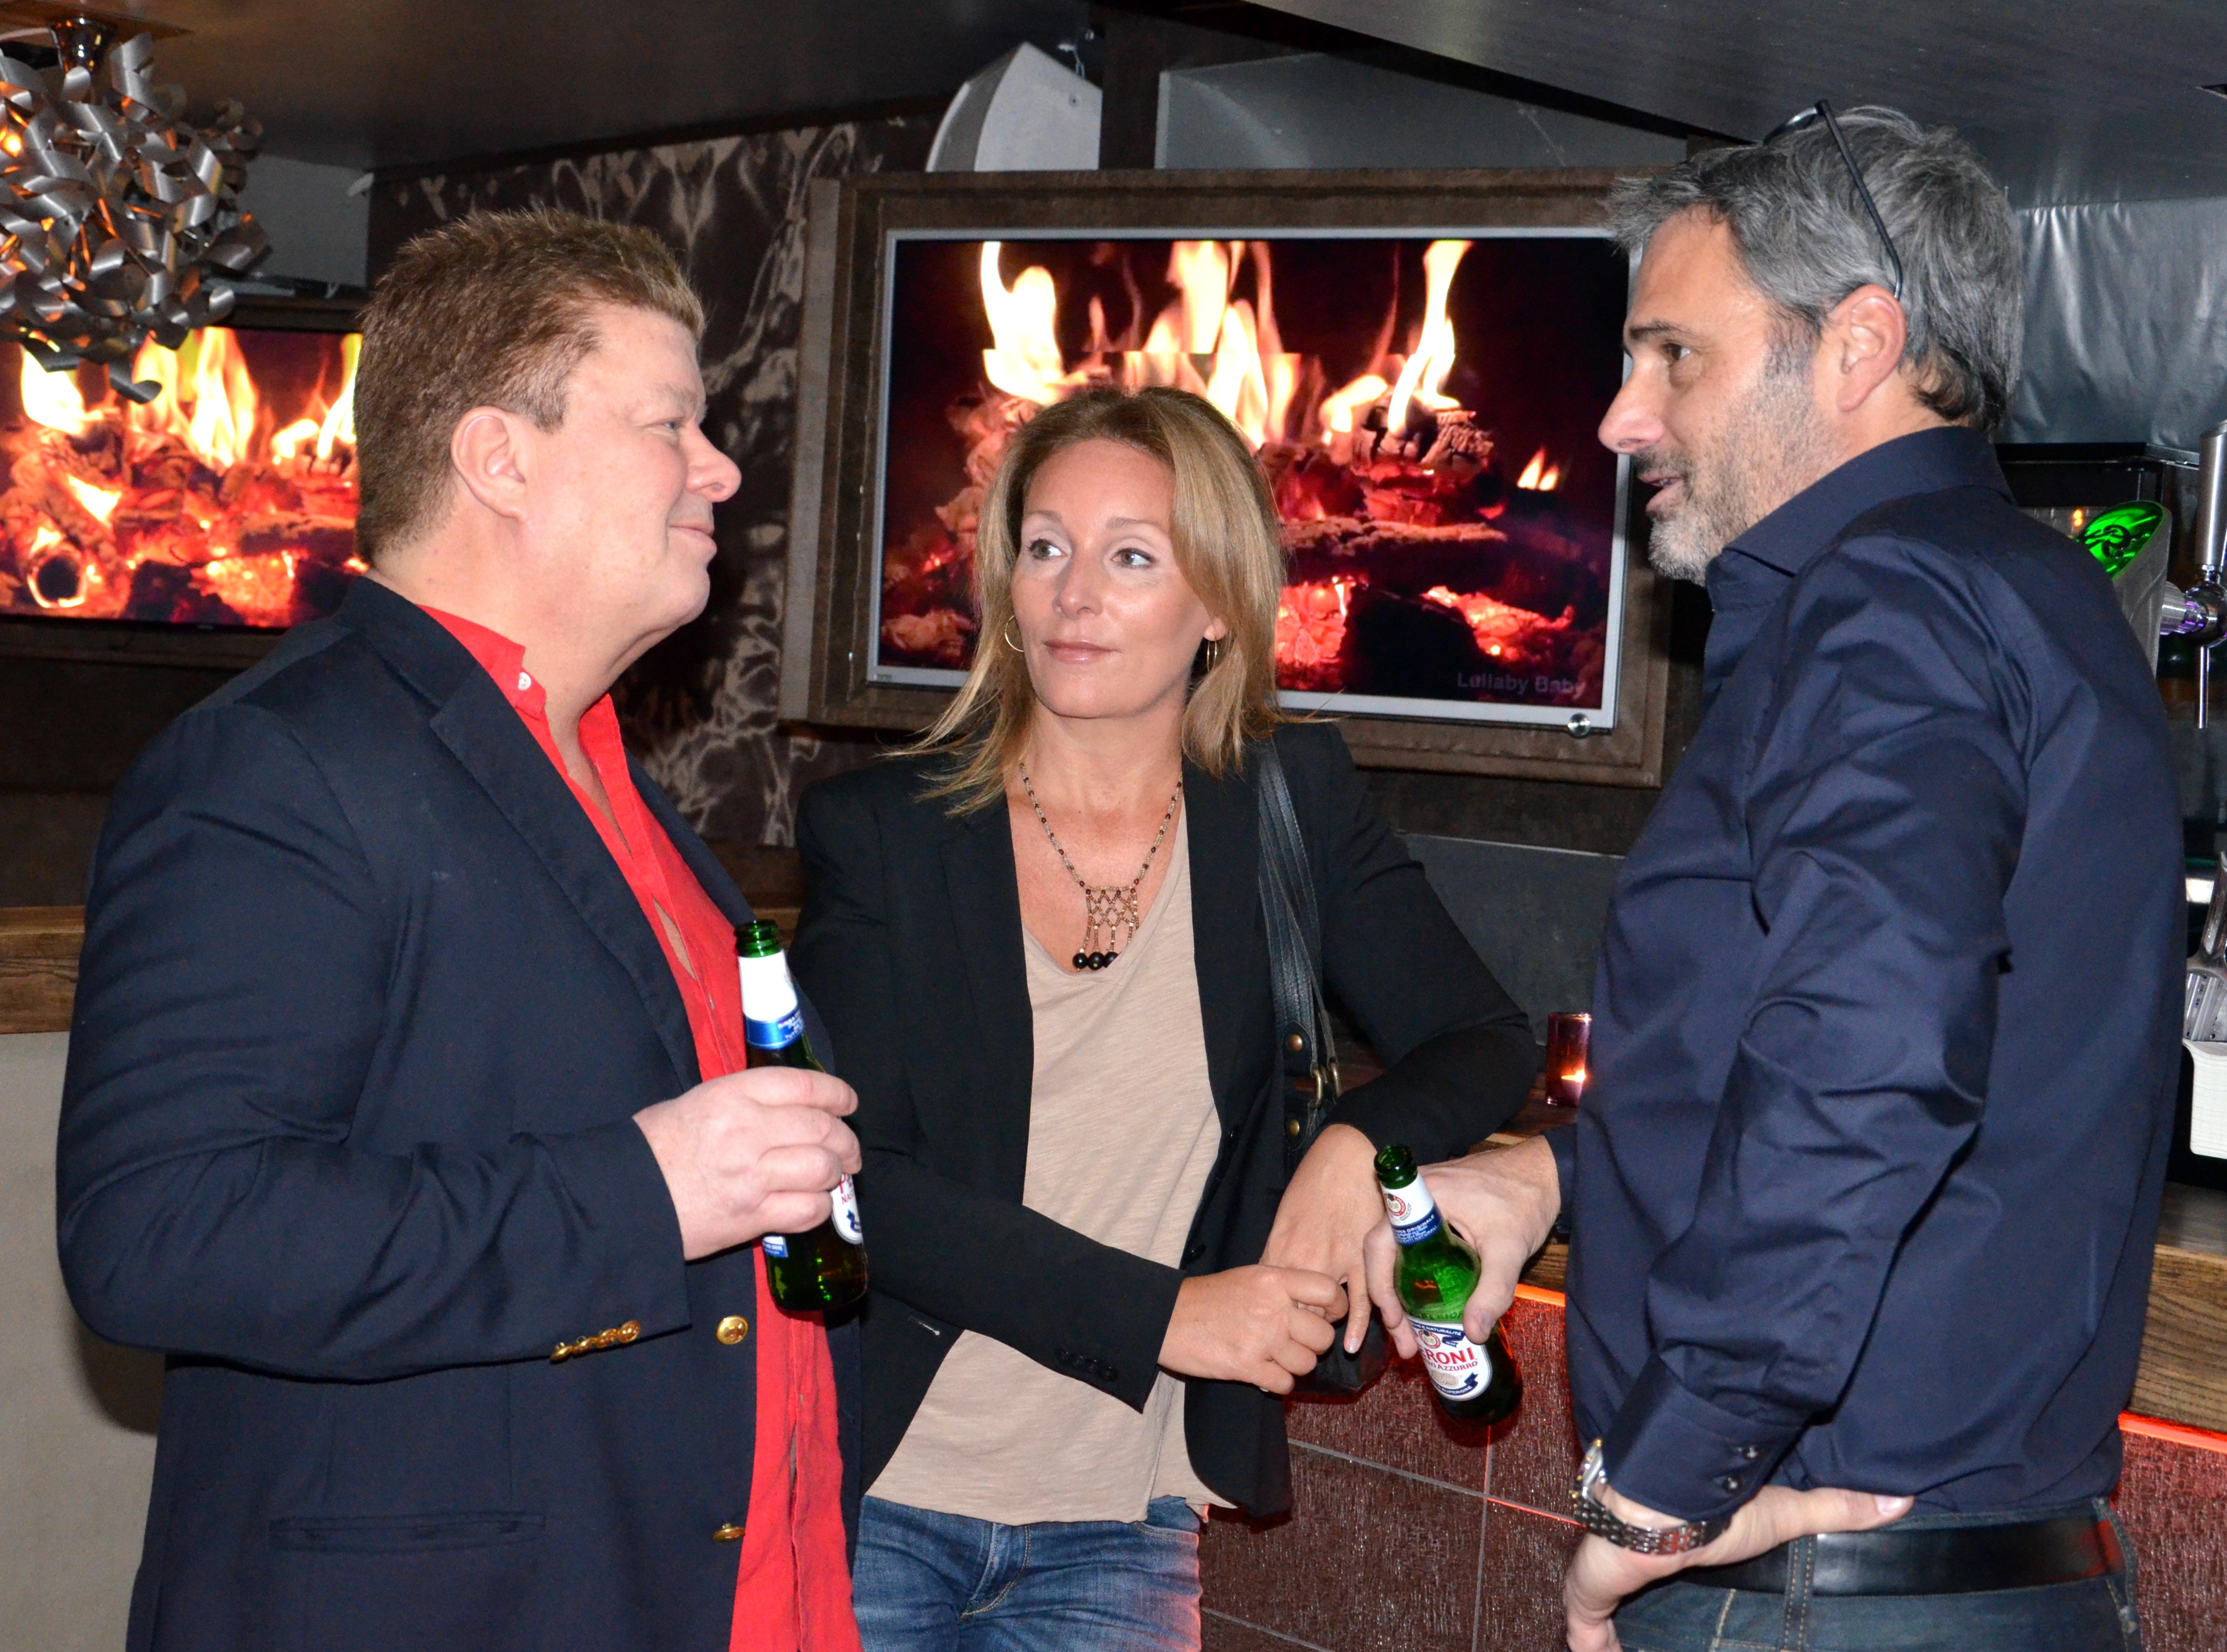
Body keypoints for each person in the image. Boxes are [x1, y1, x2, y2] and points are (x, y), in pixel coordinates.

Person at [1366, 107, 2182, 1652]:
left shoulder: (1884, 606)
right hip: (1967, 1579)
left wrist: (1660, 1489)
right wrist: (1552, 1177)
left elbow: (1870, 1058)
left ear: (1859, 344)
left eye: (1674, 355)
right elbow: (1854, 1040)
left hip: (1833, 1599)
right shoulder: (2023, 590)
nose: (1620, 414)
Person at [56, 209, 866, 1652]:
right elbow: (163, 1232)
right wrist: (645, 1192)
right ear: (499, 457)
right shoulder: (277, 763)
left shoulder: (610, 776)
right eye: (670, 425)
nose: (720, 469)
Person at [790, 385, 1536, 1651]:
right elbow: (865, 1183)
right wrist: (1169, 1316)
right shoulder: (882, 830)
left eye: (1131, 557)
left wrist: (1353, 1145)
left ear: (1219, 605)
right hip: (878, 1499)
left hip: (1120, 1525)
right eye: (1046, 547)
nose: (1074, 593)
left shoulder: (1290, 804)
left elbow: (1485, 1038)